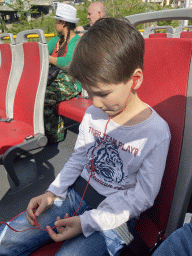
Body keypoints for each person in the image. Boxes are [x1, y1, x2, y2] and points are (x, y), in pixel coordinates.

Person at [0, 18, 171, 256]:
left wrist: (86, 222)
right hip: (74, 195)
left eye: (102, 93)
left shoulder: (154, 132)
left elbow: (142, 196)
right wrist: (52, 193)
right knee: (7, 238)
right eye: (89, 93)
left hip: (113, 217)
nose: (95, 103)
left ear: (135, 79)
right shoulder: (94, 112)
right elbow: (78, 157)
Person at [45, 3, 82, 142]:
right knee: (33, 93)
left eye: (57, 21)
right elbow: (40, 51)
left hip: (71, 81)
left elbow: (67, 62)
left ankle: (56, 134)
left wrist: (47, 58)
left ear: (64, 23)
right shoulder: (56, 40)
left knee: (45, 97)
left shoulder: (76, 41)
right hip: (53, 78)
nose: (55, 24)